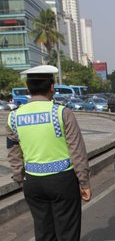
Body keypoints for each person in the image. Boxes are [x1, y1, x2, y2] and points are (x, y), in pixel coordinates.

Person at [6, 65, 92, 241]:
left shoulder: (13, 117)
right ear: (52, 87)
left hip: (33, 181)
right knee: (67, 232)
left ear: (28, 88)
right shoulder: (62, 113)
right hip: (62, 180)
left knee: (43, 232)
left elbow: (13, 153)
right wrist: (84, 182)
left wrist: (19, 177)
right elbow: (77, 151)